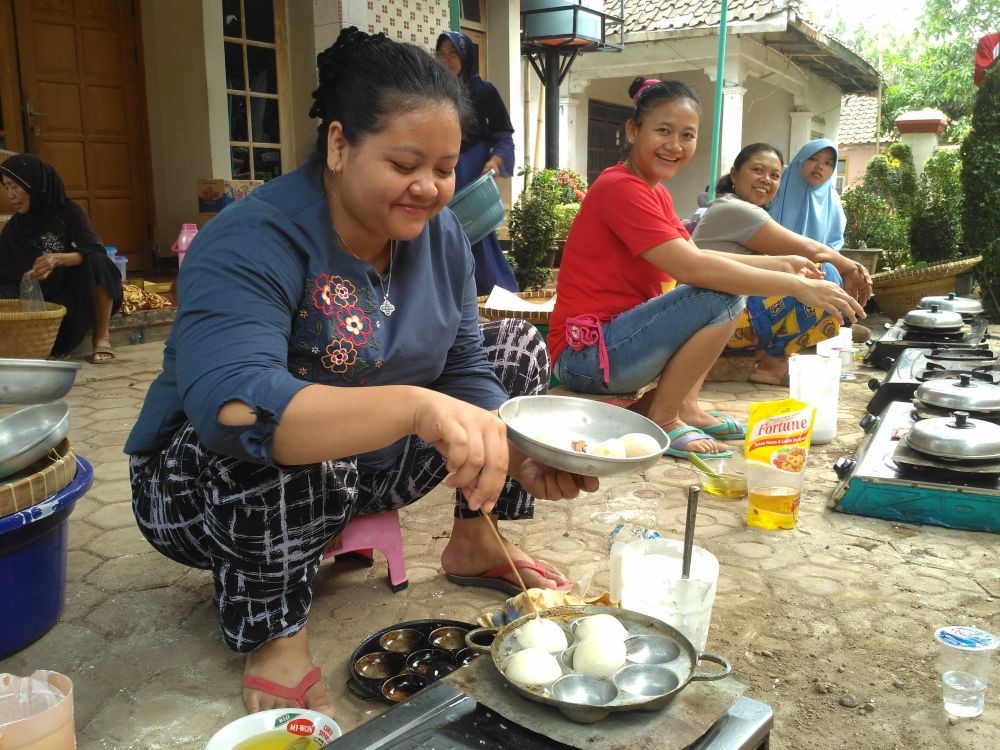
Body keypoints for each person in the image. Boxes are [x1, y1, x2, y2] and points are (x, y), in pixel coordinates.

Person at [124, 27, 597, 717]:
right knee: (297, 422)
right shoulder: (253, 238)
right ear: (340, 144)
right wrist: (412, 407)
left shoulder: (439, 238)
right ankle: (276, 631)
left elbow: (466, 365)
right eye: (406, 162)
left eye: (445, 166)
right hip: (206, 487)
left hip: (365, 468)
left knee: (515, 354)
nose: (431, 188)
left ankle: (475, 542)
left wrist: (514, 454)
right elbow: (232, 411)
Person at [547, 78, 866, 459]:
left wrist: (784, 263)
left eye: (687, 134)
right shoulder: (620, 187)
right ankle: (665, 418)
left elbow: (693, 254)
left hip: (617, 347)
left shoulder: (654, 191)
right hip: (586, 358)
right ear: (633, 131)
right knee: (721, 294)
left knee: (723, 290)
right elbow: (694, 267)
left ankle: (686, 408)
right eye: (663, 131)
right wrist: (793, 285)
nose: (675, 145)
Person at [692, 143, 873, 385]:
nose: (766, 180)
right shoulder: (735, 209)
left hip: (717, 312)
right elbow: (813, 250)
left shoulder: (745, 208)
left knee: (821, 285)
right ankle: (774, 360)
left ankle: (772, 356)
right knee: (825, 275)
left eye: (775, 175)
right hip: (714, 317)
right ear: (735, 174)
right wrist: (851, 268)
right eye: (757, 170)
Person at [0, 154, 123, 362]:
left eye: (15, 186)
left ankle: (101, 337)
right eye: (6, 188)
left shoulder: (68, 212)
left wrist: (56, 259)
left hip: (77, 293)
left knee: (99, 263)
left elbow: (94, 250)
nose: (10, 195)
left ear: (34, 184)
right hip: (46, 304)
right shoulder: (15, 227)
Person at [435, 31, 519, 296]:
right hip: (439, 178)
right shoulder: (434, 94)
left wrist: (495, 160)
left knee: (477, 240)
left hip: (470, 179)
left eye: (453, 53)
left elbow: (504, 137)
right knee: (442, 239)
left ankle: (496, 300)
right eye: (441, 53)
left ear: (466, 56)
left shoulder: (484, 92)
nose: (446, 59)